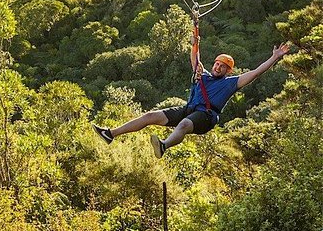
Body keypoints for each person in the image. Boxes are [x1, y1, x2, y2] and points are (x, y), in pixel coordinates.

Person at [92, 24, 290, 158]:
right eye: (217, 64)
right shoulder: (201, 75)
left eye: (223, 67)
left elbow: (255, 73)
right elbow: (195, 58)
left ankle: (164, 146)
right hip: (189, 109)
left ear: (228, 71)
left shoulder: (231, 83)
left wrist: (275, 57)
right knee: (150, 115)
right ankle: (111, 133)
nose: (218, 67)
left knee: (186, 123)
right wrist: (195, 41)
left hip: (206, 116)